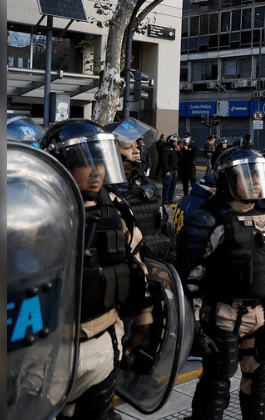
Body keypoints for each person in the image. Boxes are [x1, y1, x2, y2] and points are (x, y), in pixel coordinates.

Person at [42, 119, 150, 420]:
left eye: (100, 162)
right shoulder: (36, 214)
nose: (96, 172)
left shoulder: (117, 209)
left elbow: (136, 265)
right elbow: (23, 289)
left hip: (105, 343)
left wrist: (143, 323)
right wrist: (31, 341)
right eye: (84, 163)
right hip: (50, 352)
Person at [175, 147, 265, 420]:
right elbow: (189, 279)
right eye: (247, 175)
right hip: (223, 314)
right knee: (218, 381)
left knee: (259, 379)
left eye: (258, 174)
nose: (256, 181)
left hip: (264, 313)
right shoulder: (208, 220)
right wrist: (195, 326)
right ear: (226, 180)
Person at [105, 118, 175, 262]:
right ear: (110, 150)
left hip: (154, 258)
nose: (136, 151)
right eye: (128, 147)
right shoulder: (102, 188)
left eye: (136, 145)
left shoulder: (144, 182)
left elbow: (163, 223)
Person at [161, 134, 180, 205]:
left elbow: (179, 158)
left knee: (173, 185)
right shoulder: (165, 148)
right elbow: (164, 160)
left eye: (176, 142)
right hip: (169, 170)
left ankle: (170, 199)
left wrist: (179, 151)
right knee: (167, 185)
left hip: (174, 169)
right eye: (174, 142)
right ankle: (165, 199)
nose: (176, 143)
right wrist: (166, 170)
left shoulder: (174, 149)